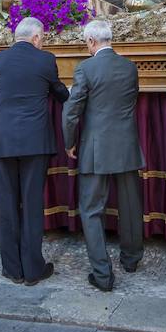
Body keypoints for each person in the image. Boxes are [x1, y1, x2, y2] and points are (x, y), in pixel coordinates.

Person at [0, 17, 69, 285]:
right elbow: (59, 92)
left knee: (7, 205)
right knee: (32, 204)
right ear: (37, 38)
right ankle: (33, 269)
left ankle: (12, 269)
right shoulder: (45, 60)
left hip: (1, 142)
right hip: (34, 142)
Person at [62, 19, 145, 292]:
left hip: (96, 149)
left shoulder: (86, 68)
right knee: (131, 206)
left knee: (91, 210)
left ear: (91, 42)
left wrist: (69, 143)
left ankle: (102, 273)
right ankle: (131, 259)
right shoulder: (129, 67)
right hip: (126, 145)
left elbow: (72, 111)